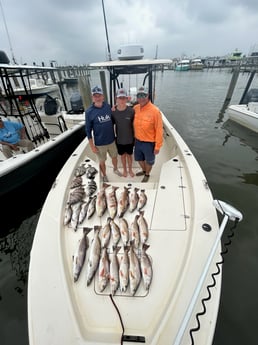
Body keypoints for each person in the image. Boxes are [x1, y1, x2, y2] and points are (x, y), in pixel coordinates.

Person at [85, 85, 122, 182]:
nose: (97, 97)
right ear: (92, 97)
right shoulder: (89, 112)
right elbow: (88, 131)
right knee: (102, 161)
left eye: (99, 95)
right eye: (95, 96)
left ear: (103, 97)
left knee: (114, 157)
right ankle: (104, 175)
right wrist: (92, 146)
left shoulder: (108, 106)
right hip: (100, 143)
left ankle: (115, 169)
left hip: (111, 140)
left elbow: (113, 120)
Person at [133, 86, 163, 182]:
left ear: (148, 96)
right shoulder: (135, 108)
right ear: (137, 97)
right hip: (137, 141)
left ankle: (147, 174)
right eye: (139, 95)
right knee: (138, 158)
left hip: (149, 142)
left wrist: (157, 146)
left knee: (149, 161)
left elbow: (159, 130)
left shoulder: (155, 111)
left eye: (143, 95)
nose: (141, 98)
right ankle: (143, 170)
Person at [112, 88, 135, 177]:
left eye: (123, 98)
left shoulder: (131, 111)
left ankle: (130, 169)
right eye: (119, 98)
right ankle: (124, 169)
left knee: (129, 155)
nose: (121, 100)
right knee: (122, 156)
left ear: (127, 99)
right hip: (119, 139)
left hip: (129, 139)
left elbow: (134, 125)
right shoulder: (113, 112)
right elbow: (111, 125)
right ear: (116, 99)